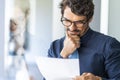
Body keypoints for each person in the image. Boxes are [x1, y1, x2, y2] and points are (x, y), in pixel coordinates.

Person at [47, 0, 120, 80]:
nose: (72, 28)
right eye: (67, 21)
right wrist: (63, 54)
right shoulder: (54, 47)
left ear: (90, 19)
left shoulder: (109, 45)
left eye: (79, 22)